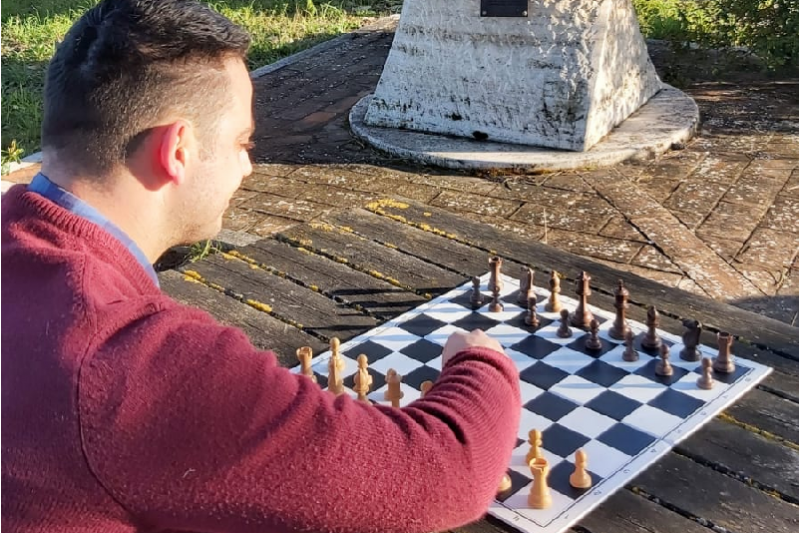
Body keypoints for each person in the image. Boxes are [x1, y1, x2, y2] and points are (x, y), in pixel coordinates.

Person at [0, 0, 521, 531]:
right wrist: (481, 365)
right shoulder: (129, 362)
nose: (248, 167)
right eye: (242, 143)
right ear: (177, 149)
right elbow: (447, 475)